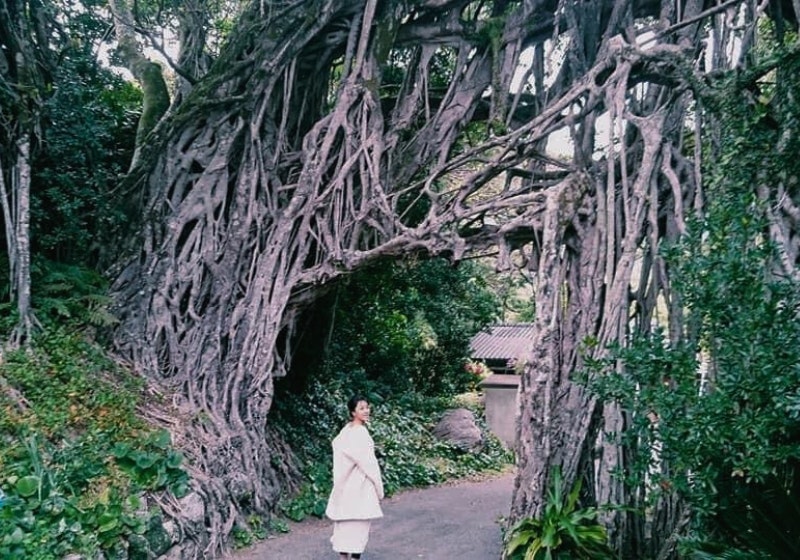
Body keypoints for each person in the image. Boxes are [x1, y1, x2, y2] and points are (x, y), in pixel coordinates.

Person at [325, 394, 384, 559]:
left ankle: (344, 557)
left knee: (345, 523)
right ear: (353, 412)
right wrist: (378, 486)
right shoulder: (360, 433)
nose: (366, 411)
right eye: (362, 408)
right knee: (359, 524)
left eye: (367, 407)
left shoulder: (346, 430)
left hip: (346, 485)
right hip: (360, 485)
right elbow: (369, 463)